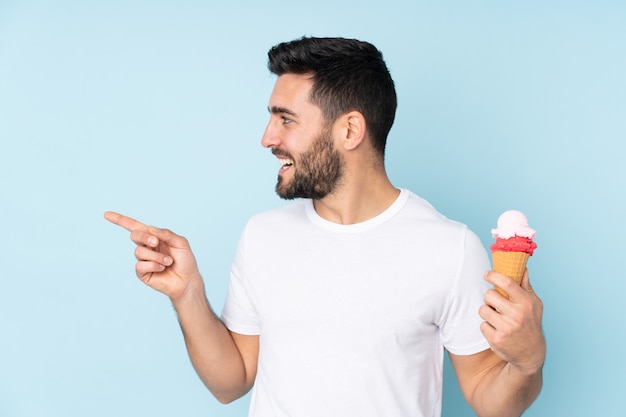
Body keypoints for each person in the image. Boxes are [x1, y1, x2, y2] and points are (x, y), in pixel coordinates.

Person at [105, 36, 545, 417]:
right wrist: (188, 295)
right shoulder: (262, 236)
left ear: (350, 129)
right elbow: (230, 382)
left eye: (286, 119)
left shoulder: (449, 248)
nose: (267, 138)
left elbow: (492, 403)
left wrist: (527, 363)